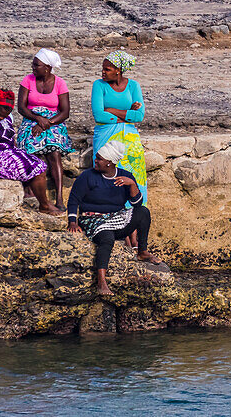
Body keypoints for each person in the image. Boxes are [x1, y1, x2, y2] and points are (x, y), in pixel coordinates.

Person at [67, 140, 166, 296]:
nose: (96, 160)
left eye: (99, 159)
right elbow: (74, 200)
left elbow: (136, 204)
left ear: (110, 163)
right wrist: (72, 221)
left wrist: (132, 185)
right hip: (92, 219)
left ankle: (142, 251)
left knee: (143, 212)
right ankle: (101, 282)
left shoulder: (125, 176)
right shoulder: (87, 176)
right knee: (107, 238)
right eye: (97, 157)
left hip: (116, 217)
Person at [0, 88, 61, 215]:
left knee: (39, 165)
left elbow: (9, 137)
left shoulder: (8, 117)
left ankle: (41, 201)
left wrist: (18, 153)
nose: (2, 116)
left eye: (6, 113)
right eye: (0, 112)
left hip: (5, 153)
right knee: (36, 169)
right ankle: (44, 205)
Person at [15, 49, 74, 210]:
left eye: (37, 65)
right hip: (32, 118)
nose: (33, 68)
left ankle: (59, 198)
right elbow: (21, 107)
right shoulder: (28, 80)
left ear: (47, 67)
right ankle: (30, 190)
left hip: (53, 122)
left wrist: (47, 122)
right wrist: (38, 119)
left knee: (54, 152)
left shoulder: (60, 83)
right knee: (29, 145)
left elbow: (65, 112)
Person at [91, 50, 147, 203]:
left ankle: (135, 206)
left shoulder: (133, 86)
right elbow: (98, 115)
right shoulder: (99, 85)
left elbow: (139, 116)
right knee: (105, 171)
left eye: (107, 69)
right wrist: (126, 114)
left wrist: (111, 111)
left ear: (118, 71)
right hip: (105, 134)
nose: (103, 72)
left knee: (133, 170)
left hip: (129, 136)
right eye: (103, 69)